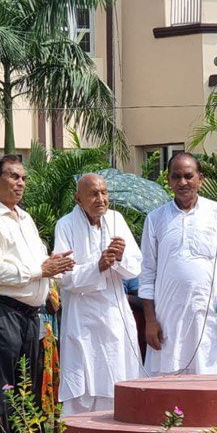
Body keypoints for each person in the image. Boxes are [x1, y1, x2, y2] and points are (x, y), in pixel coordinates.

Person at [0, 155, 75, 433]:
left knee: (27, 386)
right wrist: (40, 270)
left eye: (24, 178)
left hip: (32, 314)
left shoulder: (26, 218)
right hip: (2, 309)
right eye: (14, 176)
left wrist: (54, 266)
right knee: (1, 387)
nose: (20, 183)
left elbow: (38, 263)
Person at [53, 173, 144, 414]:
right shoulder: (65, 225)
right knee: (83, 382)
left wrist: (121, 255)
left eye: (104, 193)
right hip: (82, 318)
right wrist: (98, 267)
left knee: (117, 374)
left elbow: (136, 266)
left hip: (114, 315)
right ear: (78, 198)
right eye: (93, 194)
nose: (101, 199)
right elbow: (63, 276)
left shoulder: (116, 219)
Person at [139, 152, 217, 376]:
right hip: (167, 317)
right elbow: (147, 273)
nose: (182, 182)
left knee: (208, 380)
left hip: (208, 315)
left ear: (201, 178)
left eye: (188, 176)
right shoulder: (155, 218)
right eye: (176, 176)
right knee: (169, 383)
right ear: (169, 180)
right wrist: (150, 321)